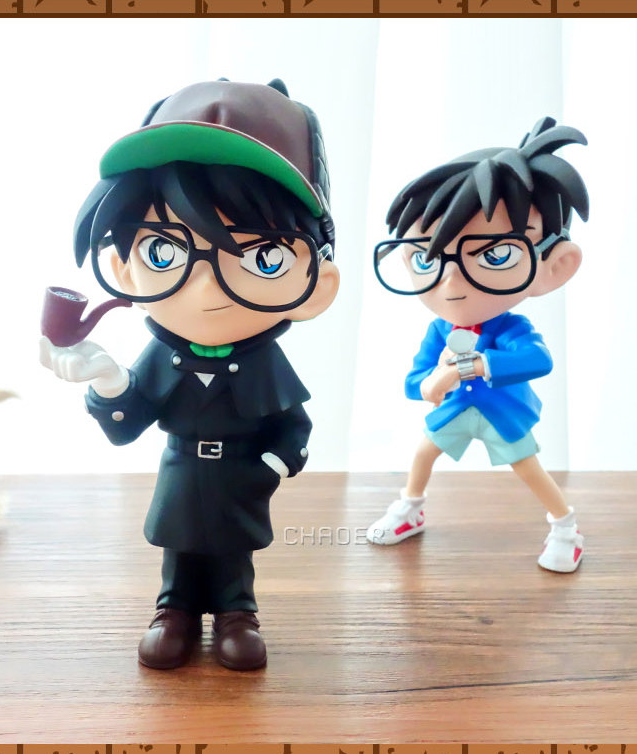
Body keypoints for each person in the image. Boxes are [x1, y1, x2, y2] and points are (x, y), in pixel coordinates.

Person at [40, 78, 339, 670]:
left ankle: (236, 614)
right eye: (164, 251)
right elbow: (126, 425)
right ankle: (172, 611)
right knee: (178, 554)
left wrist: (268, 469)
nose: (205, 289)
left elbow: (295, 429)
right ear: (123, 267)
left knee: (233, 558)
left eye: (260, 256)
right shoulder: (160, 356)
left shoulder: (266, 365)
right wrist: (106, 378)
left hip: (240, 479)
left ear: (316, 285)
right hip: (179, 473)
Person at [367, 117, 588, 573]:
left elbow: (537, 359)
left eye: (494, 254)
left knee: (528, 469)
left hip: (500, 413)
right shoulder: (439, 331)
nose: (450, 282)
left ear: (553, 266)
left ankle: (566, 527)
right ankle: (411, 508)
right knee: (423, 454)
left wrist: (469, 367)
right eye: (426, 257)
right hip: (454, 411)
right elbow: (415, 380)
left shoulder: (510, 327)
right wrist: (432, 382)